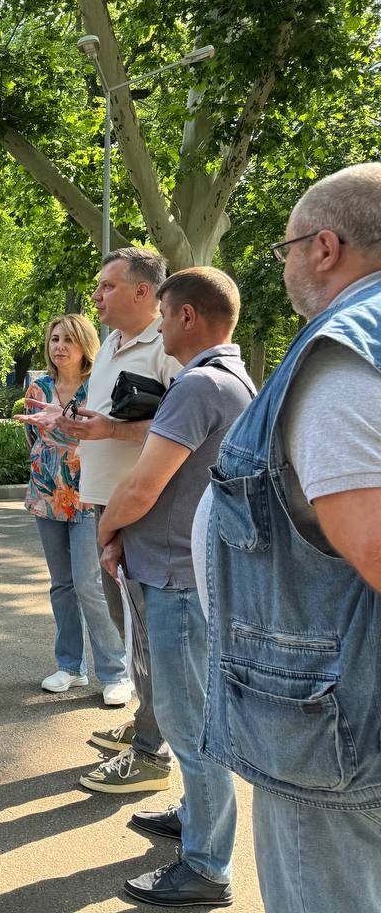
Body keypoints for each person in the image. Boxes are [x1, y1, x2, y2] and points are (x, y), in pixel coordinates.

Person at [200, 163, 381, 913]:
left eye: (287, 248)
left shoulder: (340, 356)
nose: (285, 265)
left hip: (332, 732)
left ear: (326, 247)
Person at [96, 268, 254, 908]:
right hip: (187, 571)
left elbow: (141, 486)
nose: (159, 326)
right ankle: (196, 816)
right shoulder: (232, 378)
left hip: (176, 577)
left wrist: (107, 530)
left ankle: (206, 868)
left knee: (191, 723)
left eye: (164, 314)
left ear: (187, 316)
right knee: (197, 714)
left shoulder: (196, 386)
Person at [34, 247, 182, 794]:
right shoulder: (115, 348)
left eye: (108, 286)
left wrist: (104, 436)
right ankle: (149, 723)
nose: (96, 296)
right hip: (106, 511)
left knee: (149, 636)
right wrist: (68, 426)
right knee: (131, 629)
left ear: (144, 292)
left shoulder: (169, 347)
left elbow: (182, 431)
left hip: (147, 514)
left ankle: (153, 753)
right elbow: (103, 424)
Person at [15, 315, 129, 704]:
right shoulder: (38, 386)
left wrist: (62, 430)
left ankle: (116, 671)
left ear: (84, 344)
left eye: (67, 339)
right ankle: (70, 666)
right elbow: (35, 438)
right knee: (61, 585)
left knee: (89, 584)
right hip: (46, 493)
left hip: (87, 494)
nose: (59, 346)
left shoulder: (97, 386)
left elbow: (103, 438)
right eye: (53, 339)